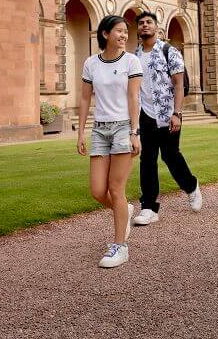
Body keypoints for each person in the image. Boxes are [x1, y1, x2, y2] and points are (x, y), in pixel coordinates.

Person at [76, 15, 143, 268]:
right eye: (119, 31)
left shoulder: (131, 61)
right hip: (100, 130)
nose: (124, 35)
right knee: (96, 191)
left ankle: (120, 247)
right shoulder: (91, 63)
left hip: (123, 129)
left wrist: (135, 132)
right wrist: (81, 132)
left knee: (116, 189)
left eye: (126, 31)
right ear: (105, 34)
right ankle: (123, 209)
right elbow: (84, 99)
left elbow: (134, 97)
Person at [131, 12, 202, 226]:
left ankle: (191, 186)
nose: (145, 26)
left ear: (156, 27)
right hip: (145, 114)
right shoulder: (134, 55)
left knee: (171, 156)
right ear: (138, 28)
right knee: (147, 159)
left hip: (168, 113)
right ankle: (149, 207)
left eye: (149, 22)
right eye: (141, 23)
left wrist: (177, 113)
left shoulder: (168, 51)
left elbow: (179, 84)